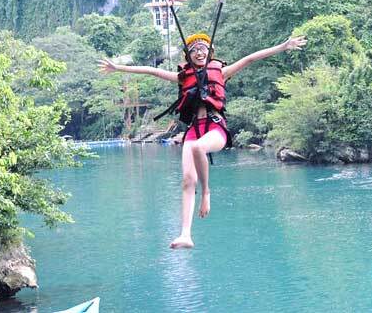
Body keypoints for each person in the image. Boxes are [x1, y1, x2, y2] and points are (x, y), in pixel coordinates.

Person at [98, 32, 306, 249]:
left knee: (198, 149)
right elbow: (152, 71)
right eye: (194, 50)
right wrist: (118, 68)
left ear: (210, 53)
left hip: (216, 127)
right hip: (193, 129)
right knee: (187, 180)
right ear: (188, 55)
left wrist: (284, 45)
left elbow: (251, 58)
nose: (199, 53)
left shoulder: (221, 72)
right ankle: (185, 235)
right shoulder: (183, 76)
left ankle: (206, 191)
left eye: (203, 49)